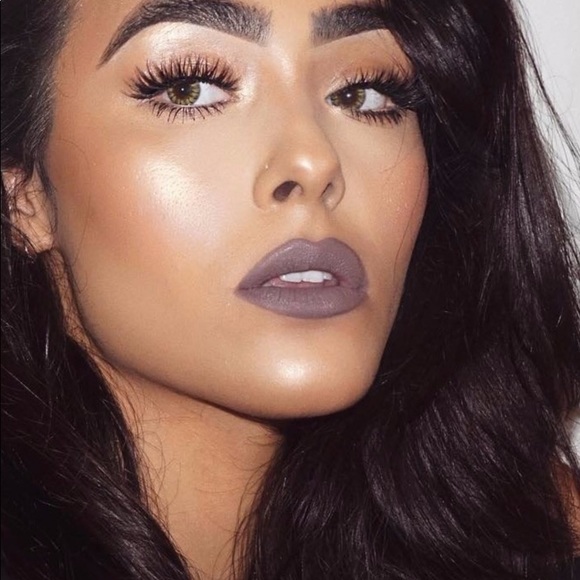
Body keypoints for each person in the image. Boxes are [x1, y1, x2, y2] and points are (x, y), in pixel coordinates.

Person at [1, 0, 579, 578]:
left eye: (363, 92)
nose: (314, 160)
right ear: (23, 196)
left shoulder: (527, 541)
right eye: (189, 88)